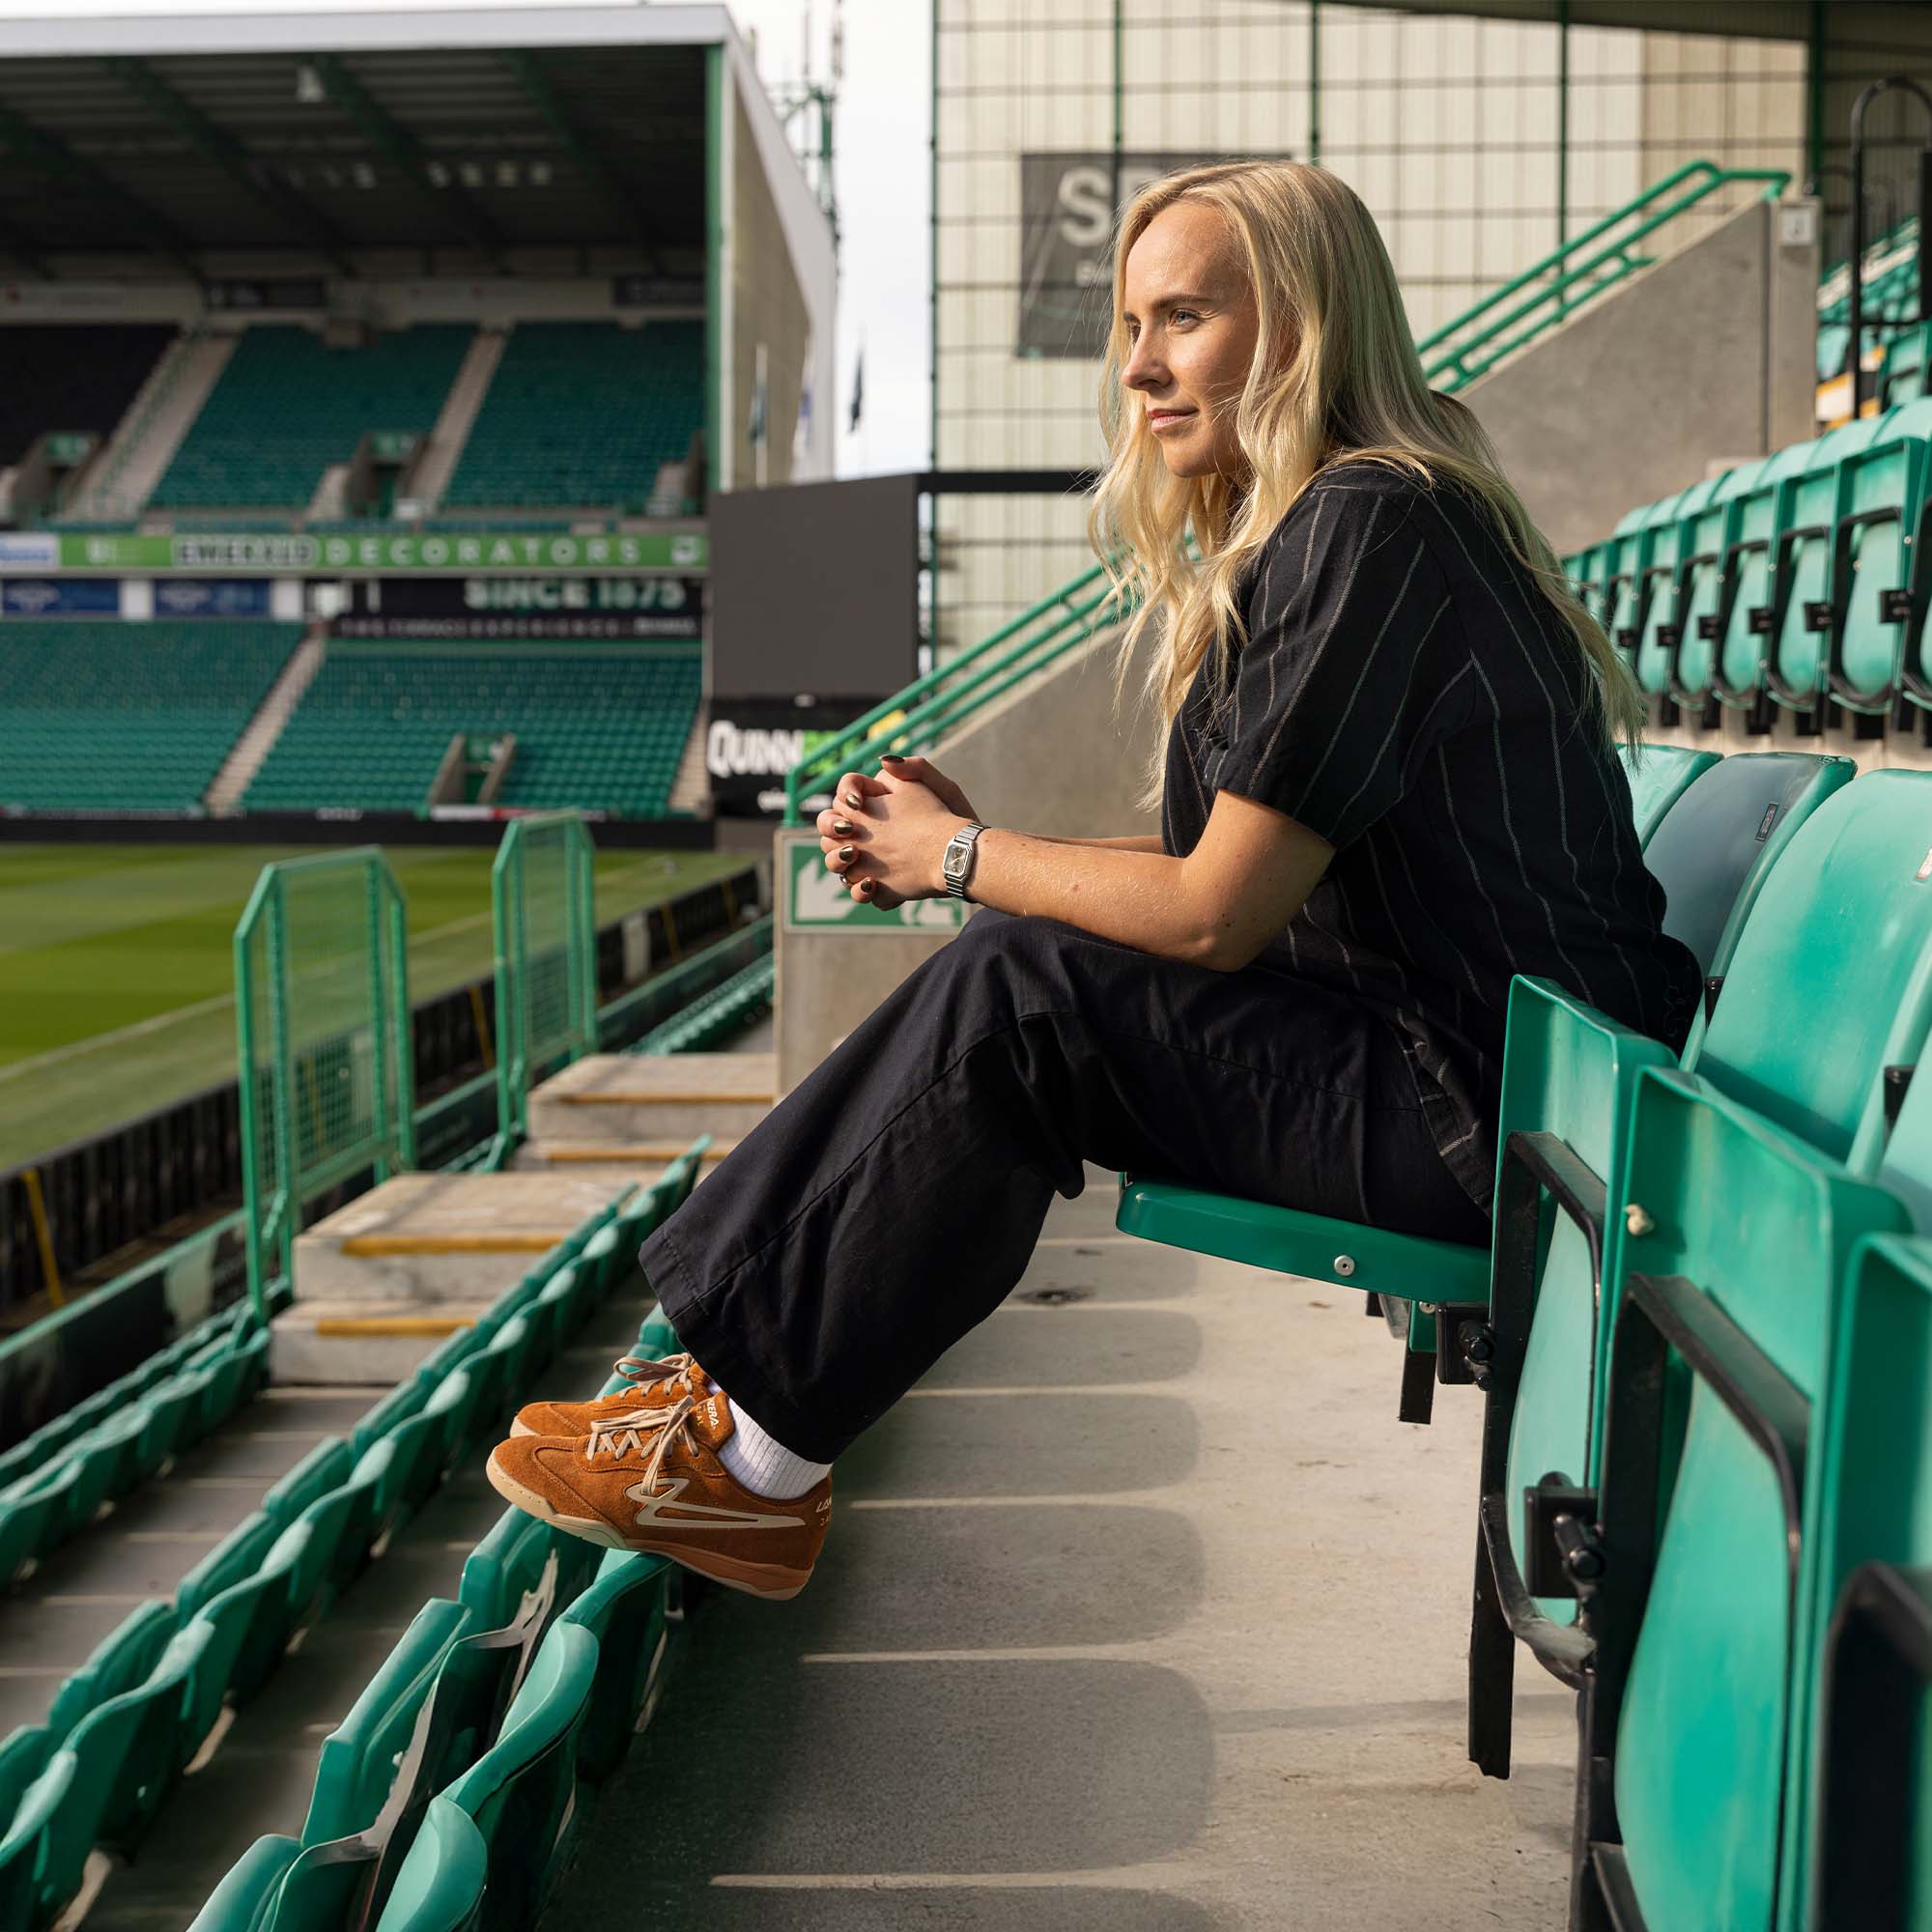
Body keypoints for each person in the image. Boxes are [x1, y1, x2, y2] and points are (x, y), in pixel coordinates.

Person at [486, 159, 1702, 1602]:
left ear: (1301, 323)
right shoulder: (1346, 524)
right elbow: (1217, 867)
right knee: (1017, 959)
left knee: (1023, 995)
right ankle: (717, 1399)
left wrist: (960, 860)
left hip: (1495, 1123)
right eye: (1132, 326)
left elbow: (1212, 913)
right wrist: (977, 850)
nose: (1138, 367)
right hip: (1477, 1084)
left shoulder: (1376, 522)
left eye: (1182, 317)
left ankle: (749, 1464)